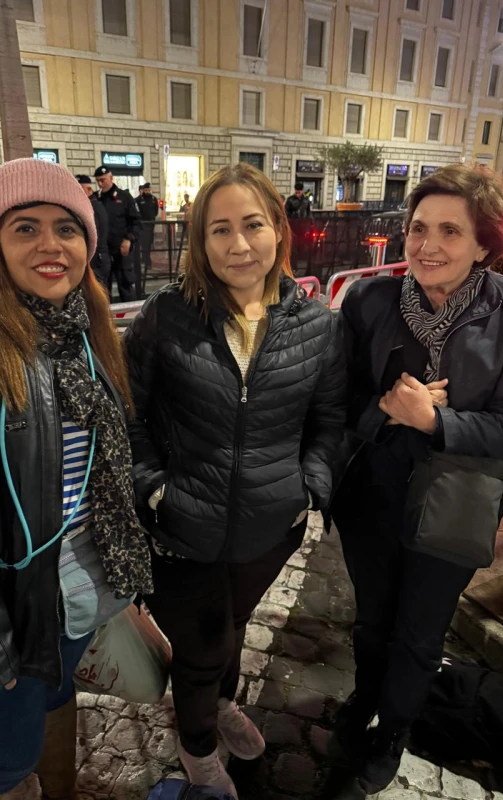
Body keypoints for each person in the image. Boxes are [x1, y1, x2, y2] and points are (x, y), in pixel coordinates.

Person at [0, 158, 153, 799]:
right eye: (25, 228)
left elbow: (105, 468)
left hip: (80, 589)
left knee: (53, 698)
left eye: (67, 228)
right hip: (2, 605)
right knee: (6, 754)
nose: (51, 245)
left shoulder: (88, 334)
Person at [125, 162, 346, 796]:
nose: (238, 244)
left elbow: (330, 423)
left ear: (279, 228)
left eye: (252, 225)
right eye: (219, 229)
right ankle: (197, 745)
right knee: (200, 647)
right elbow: (128, 412)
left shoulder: (319, 326)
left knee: (234, 624)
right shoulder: (167, 315)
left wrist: (307, 490)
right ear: (200, 241)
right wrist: (154, 487)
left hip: (269, 526)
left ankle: (221, 704)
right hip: (180, 525)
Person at [329, 164, 503, 798]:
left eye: (450, 231)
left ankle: (394, 728)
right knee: (373, 619)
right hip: (373, 491)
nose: (427, 245)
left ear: (484, 245)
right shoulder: (369, 302)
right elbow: (335, 399)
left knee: (420, 631)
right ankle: (364, 698)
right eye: (418, 228)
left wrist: (436, 421)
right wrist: (387, 412)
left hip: (457, 500)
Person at [94, 165, 142, 301]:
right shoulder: (96, 199)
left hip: (121, 250)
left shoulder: (125, 197)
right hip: (103, 252)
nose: (100, 184)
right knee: (102, 289)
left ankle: (131, 313)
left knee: (125, 285)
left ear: (111, 178)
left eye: (103, 180)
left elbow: (137, 223)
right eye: (98, 181)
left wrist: (129, 239)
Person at [76, 174, 111, 290]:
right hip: (99, 258)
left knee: (95, 295)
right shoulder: (94, 206)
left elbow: (92, 237)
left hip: (96, 260)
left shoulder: (91, 209)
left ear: (89, 189)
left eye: (79, 189)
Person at [135, 182, 159, 280]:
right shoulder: (138, 200)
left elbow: (156, 211)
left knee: (149, 243)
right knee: (145, 244)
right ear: (143, 190)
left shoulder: (153, 199)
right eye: (146, 190)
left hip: (151, 225)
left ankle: (146, 260)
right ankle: (147, 262)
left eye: (149, 190)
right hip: (143, 225)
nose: (147, 191)